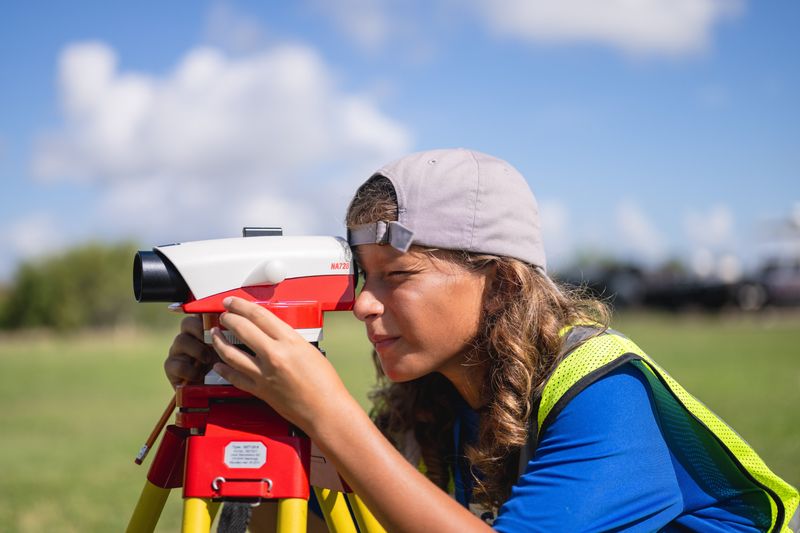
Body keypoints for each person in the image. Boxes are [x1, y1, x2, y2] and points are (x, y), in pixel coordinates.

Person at [164, 148, 798, 532]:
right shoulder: (440, 394)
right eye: (364, 277)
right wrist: (252, 401)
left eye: (398, 277)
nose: (361, 303)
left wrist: (328, 412)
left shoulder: (607, 394)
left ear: (498, 284)